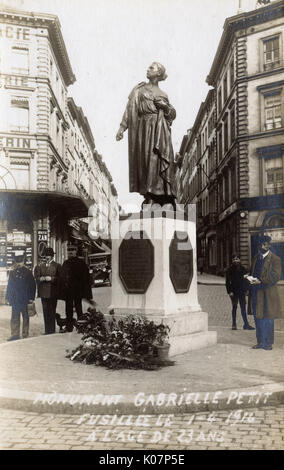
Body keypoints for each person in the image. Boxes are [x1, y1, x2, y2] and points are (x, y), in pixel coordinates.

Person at [116, 62, 176, 208]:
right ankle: (149, 194)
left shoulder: (163, 94)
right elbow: (130, 109)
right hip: (144, 129)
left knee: (159, 159)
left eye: (151, 68)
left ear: (158, 73)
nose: (147, 69)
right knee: (147, 161)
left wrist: (165, 107)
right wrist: (122, 127)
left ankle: (163, 195)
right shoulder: (139, 90)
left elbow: (172, 115)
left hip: (160, 129)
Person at [246, 235, 283, 350]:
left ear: (269, 245)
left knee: (268, 318)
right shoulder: (256, 258)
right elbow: (252, 270)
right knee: (258, 317)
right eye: (261, 244)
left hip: (268, 293)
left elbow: (276, 276)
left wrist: (261, 280)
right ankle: (260, 342)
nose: (262, 246)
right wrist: (249, 277)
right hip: (256, 293)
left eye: (265, 244)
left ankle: (268, 343)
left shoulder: (275, 259)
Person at [61, 245, 93, 332]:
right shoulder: (65, 263)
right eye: (69, 250)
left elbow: (86, 278)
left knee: (79, 308)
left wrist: (86, 291)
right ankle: (69, 326)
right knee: (68, 309)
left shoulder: (81, 263)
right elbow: (62, 277)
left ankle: (81, 325)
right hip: (68, 291)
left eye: (72, 250)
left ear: (76, 251)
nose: (70, 252)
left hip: (78, 290)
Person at [5, 253, 36, 341]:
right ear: (15, 262)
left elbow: (32, 286)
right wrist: (8, 298)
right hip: (15, 299)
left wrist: (31, 298)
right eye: (17, 261)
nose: (19, 263)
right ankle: (15, 334)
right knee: (15, 317)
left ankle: (25, 334)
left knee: (25, 317)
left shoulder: (28, 272)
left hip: (25, 299)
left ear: (23, 261)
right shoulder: (12, 272)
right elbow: (10, 286)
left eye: (21, 261)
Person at [34, 247, 62, 335]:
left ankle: (52, 330)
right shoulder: (40, 266)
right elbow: (36, 277)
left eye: (49, 255)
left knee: (52, 311)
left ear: (52, 256)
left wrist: (52, 278)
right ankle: (47, 330)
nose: (47, 257)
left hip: (53, 292)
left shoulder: (57, 266)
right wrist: (40, 278)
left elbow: (60, 278)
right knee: (45, 311)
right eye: (46, 255)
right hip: (43, 292)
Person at [225, 254, 254, 331]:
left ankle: (246, 324)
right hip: (233, 292)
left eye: (237, 259)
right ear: (232, 261)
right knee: (234, 307)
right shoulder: (229, 270)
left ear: (240, 260)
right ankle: (234, 324)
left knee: (243, 308)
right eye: (234, 259)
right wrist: (229, 291)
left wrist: (247, 290)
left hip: (241, 291)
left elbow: (246, 280)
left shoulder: (243, 269)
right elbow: (227, 282)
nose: (236, 261)